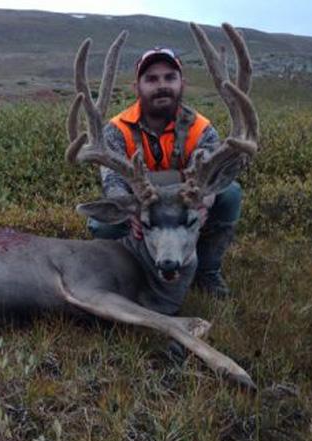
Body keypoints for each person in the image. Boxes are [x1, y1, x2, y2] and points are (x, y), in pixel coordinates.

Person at [87, 46, 242, 298]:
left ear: (182, 84)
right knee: (102, 224)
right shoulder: (117, 130)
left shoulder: (200, 128)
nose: (162, 85)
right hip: (145, 208)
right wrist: (130, 212)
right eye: (151, 79)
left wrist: (204, 202)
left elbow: (211, 171)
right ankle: (131, 272)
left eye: (170, 77)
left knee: (230, 193)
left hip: (183, 207)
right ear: (136, 88)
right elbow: (113, 181)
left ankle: (207, 271)